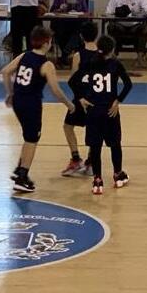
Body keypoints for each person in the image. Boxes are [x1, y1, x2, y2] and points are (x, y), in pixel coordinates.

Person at [2, 27, 74, 193]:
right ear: (46, 43)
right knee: (32, 138)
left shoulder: (24, 56)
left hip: (18, 101)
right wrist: (69, 104)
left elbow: (5, 72)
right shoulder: (46, 64)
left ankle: (19, 169)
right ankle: (22, 177)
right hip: (31, 104)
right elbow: (55, 90)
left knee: (29, 136)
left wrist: (10, 93)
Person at [78, 35, 133, 195]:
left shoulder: (90, 63)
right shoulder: (115, 64)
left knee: (95, 146)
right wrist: (118, 100)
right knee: (115, 144)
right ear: (112, 49)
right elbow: (128, 84)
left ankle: (97, 180)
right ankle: (117, 174)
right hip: (110, 111)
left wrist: (81, 98)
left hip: (93, 111)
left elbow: (74, 81)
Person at [60, 21, 99, 177]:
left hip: (81, 97)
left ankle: (76, 159)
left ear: (81, 36)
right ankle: (91, 162)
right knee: (95, 130)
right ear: (97, 35)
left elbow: (73, 80)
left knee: (68, 126)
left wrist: (79, 97)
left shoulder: (78, 55)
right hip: (97, 98)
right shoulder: (103, 54)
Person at [105, 0, 147, 69]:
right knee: (111, 27)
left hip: (135, 26)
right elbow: (108, 12)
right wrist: (116, 13)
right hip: (120, 26)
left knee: (144, 27)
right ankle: (113, 56)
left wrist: (141, 13)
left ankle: (140, 58)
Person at [50, 0, 88, 65]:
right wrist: (59, 9)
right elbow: (52, 12)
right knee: (61, 33)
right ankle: (66, 54)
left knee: (77, 32)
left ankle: (64, 54)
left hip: (76, 24)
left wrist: (78, 12)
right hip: (62, 24)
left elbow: (86, 12)